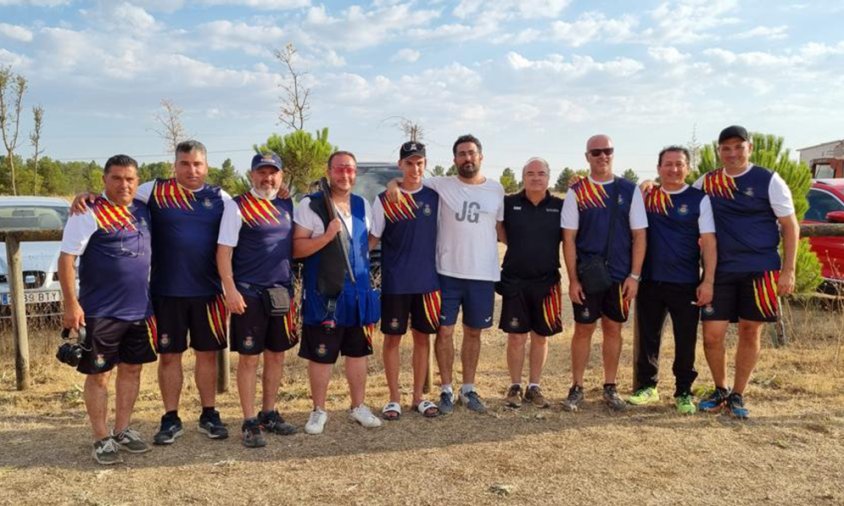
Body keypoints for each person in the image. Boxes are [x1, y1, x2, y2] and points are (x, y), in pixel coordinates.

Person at [75, 140, 233, 443]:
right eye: (185, 163)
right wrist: (88, 196)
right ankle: (170, 417)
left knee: (207, 356)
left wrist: (279, 193)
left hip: (209, 292)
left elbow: (250, 210)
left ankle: (209, 414)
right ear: (175, 165)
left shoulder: (220, 197)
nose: (192, 170)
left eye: (198, 164)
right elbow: (119, 194)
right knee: (170, 356)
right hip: (165, 291)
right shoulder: (154, 190)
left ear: (206, 166)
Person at [694, 125, 798, 419]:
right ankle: (720, 389)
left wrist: (788, 270)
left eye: (738, 147)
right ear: (719, 151)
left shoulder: (768, 180)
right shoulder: (709, 181)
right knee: (712, 334)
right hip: (721, 270)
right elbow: (680, 197)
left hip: (761, 270)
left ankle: (738, 394)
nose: (732, 153)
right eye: (726, 148)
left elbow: (791, 226)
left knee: (749, 331)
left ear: (749, 148)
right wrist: (651, 184)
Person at [58, 154, 157, 465]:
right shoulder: (87, 211)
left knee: (132, 369)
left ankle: (122, 429)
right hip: (100, 310)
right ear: (104, 180)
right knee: (99, 375)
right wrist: (71, 304)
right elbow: (66, 259)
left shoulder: (143, 207)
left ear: (137, 181)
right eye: (116, 178)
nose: (123, 184)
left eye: (129, 178)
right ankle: (101, 437)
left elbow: (181, 186)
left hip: (140, 309)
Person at [407, 134, 505, 415]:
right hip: (447, 273)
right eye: (461, 154)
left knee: (473, 332)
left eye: (471, 153)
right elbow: (409, 181)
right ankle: (446, 389)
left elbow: (501, 230)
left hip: (482, 274)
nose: (467, 158)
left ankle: (469, 389)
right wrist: (391, 184)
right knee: (445, 331)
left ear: (481, 156)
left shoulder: (496, 190)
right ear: (454, 159)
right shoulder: (441, 185)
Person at [292, 150, 383, 434]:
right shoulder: (312, 205)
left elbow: (367, 241)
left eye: (351, 170)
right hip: (325, 293)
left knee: (358, 353)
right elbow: (297, 248)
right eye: (340, 169)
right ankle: (319, 410)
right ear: (329, 171)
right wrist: (327, 237)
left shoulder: (361, 204)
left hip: (358, 293)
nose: (346, 175)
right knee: (322, 355)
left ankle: (358, 406)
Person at [560, 134, 647, 412]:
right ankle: (577, 386)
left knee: (613, 328)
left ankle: (610, 387)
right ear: (587, 157)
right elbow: (569, 239)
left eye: (607, 151)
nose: (602, 156)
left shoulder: (629, 190)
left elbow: (639, 236)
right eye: (595, 152)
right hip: (588, 276)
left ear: (613, 153)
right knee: (583, 330)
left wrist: (634, 276)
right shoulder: (578, 192)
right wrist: (572, 280)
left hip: (620, 277)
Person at [217, 153, 298, 448]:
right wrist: (230, 289)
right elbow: (223, 252)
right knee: (249, 359)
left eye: (273, 173)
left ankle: (269, 412)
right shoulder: (237, 206)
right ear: (252, 175)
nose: (268, 178)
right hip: (248, 294)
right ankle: (250, 420)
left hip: (280, 294)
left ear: (281, 174)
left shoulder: (288, 203)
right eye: (261, 173)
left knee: (276, 355)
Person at [630, 146, 716, 414]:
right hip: (651, 280)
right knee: (648, 337)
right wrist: (643, 184)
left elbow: (710, 243)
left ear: (687, 168)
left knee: (685, 339)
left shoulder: (699, 199)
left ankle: (683, 392)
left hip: (686, 282)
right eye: (668, 164)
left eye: (679, 164)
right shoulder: (648, 196)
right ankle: (647, 387)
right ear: (658, 169)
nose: (673, 169)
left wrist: (708, 280)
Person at [370, 141, 441, 419]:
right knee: (392, 341)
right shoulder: (385, 198)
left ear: (425, 164)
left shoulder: (435, 197)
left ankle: (418, 397)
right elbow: (374, 237)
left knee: (423, 340)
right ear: (400, 165)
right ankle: (394, 398)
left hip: (427, 282)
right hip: (395, 282)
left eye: (419, 162)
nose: (415, 168)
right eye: (409, 163)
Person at [498, 157, 563, 409]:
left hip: (547, 282)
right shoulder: (508, 203)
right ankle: (515, 385)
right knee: (516, 337)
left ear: (549, 177)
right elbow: (497, 227)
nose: (536, 177)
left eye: (541, 173)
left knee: (541, 337)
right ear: (523, 177)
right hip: (515, 279)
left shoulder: (560, 205)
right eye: (530, 173)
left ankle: (534, 386)